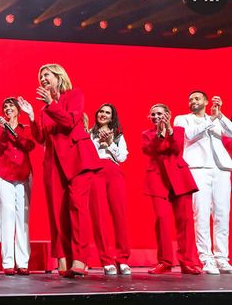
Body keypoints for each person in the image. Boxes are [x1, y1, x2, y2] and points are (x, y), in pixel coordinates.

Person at [18, 63, 100, 277]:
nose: (43, 78)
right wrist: (32, 118)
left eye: (47, 74)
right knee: (57, 211)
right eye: (40, 76)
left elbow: (71, 121)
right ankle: (63, 259)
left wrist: (51, 104)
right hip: (53, 162)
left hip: (77, 158)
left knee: (77, 208)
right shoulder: (45, 107)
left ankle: (80, 259)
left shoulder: (74, 94)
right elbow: (41, 138)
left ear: (58, 76)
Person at [174, 92, 232, 275]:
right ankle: (206, 258)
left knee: (222, 213)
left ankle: (222, 257)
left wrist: (219, 116)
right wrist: (210, 121)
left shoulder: (216, 118)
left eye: (197, 99)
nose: (193, 101)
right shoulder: (182, 119)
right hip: (198, 168)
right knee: (201, 213)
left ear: (206, 102)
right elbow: (188, 136)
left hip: (221, 168)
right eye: (190, 99)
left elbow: (230, 132)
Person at [142, 104, 202, 275]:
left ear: (168, 115)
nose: (156, 116)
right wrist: (160, 136)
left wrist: (168, 130)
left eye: (160, 113)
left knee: (185, 221)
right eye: (153, 114)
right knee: (162, 220)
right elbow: (150, 150)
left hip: (179, 178)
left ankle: (187, 262)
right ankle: (165, 262)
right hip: (158, 179)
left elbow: (176, 148)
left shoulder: (178, 130)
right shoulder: (147, 134)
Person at [0, 97, 35, 275]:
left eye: (11, 105)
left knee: (22, 218)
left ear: (18, 109)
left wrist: (11, 129)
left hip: (23, 175)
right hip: (5, 175)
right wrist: (5, 130)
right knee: (7, 217)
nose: (8, 108)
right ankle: (8, 262)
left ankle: (23, 262)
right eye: (5, 106)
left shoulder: (25, 128)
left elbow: (28, 145)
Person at [88, 104, 131, 275]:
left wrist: (110, 143)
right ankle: (106, 260)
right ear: (96, 114)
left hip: (114, 172)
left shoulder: (119, 136)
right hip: (95, 172)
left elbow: (122, 157)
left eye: (107, 112)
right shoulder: (88, 134)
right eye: (101, 111)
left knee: (119, 215)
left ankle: (123, 259)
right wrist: (98, 142)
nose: (103, 114)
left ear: (112, 117)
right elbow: (85, 154)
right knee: (99, 216)